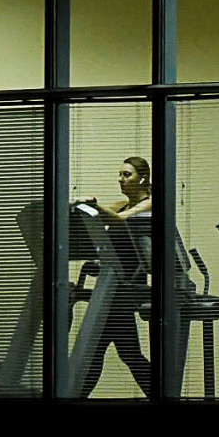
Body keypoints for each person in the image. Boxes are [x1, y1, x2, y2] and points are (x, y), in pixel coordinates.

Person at [79, 155, 156, 394]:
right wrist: (77, 205)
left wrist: (93, 205)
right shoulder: (121, 204)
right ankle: (162, 394)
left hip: (127, 287)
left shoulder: (150, 204)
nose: (120, 179)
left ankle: (76, 397)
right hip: (112, 286)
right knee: (127, 353)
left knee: (99, 350)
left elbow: (120, 220)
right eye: (120, 175)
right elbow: (99, 215)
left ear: (142, 178)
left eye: (127, 174)